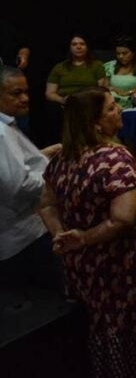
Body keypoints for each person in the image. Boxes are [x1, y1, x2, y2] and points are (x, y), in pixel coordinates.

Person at [39, 87, 136, 378]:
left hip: (82, 269)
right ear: (96, 124)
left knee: (94, 328)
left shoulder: (63, 157)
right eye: (113, 108)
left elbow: (46, 204)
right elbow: (123, 218)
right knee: (127, 339)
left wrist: (62, 235)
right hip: (122, 273)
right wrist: (85, 238)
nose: (120, 111)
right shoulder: (116, 159)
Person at [0, 66, 63, 291]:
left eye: (26, 92)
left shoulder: (8, 126)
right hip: (25, 238)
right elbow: (20, 185)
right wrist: (58, 179)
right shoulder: (1, 133)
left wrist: (41, 155)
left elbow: (13, 166)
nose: (25, 99)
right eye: (16, 93)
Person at [45, 35, 107, 109]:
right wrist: (62, 100)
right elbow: (49, 93)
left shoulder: (97, 65)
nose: (78, 47)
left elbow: (102, 90)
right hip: (65, 104)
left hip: (89, 104)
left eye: (82, 44)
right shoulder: (59, 67)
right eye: (74, 44)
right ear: (70, 48)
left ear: (87, 47)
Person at [104, 36, 136, 109]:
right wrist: (114, 91)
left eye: (125, 53)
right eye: (118, 53)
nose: (121, 56)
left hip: (134, 103)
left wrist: (126, 93)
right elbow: (105, 87)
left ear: (133, 53)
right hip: (112, 103)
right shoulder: (110, 66)